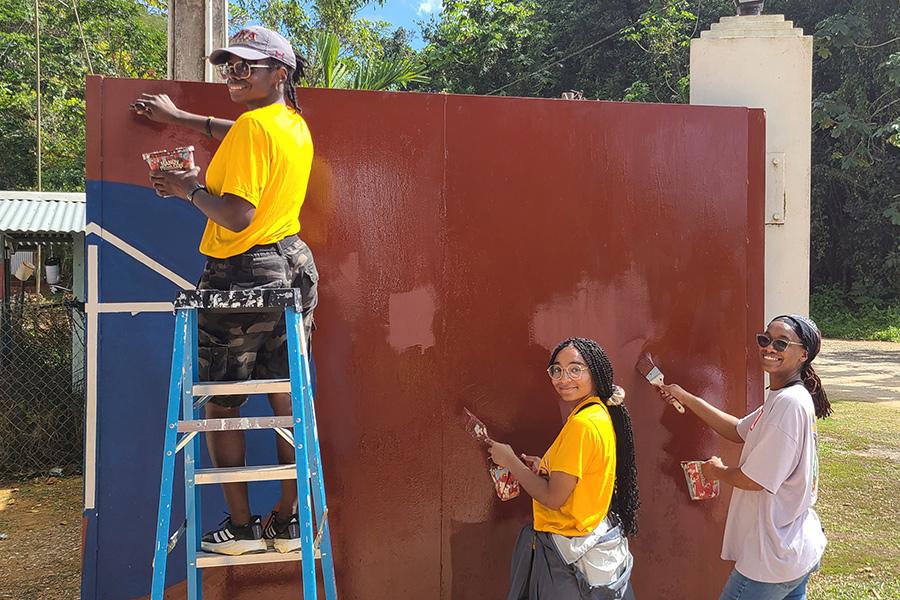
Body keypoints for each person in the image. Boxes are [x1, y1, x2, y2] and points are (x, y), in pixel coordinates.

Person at [132, 26, 318, 556]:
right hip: (288, 266)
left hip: (240, 274)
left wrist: (186, 187)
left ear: (279, 73)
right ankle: (287, 523)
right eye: (228, 66)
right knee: (286, 399)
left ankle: (238, 528)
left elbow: (237, 216)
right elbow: (237, 128)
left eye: (246, 66)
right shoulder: (291, 123)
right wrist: (183, 119)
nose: (233, 74)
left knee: (221, 404)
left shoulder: (253, 130)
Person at [660, 315, 830, 600]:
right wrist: (686, 397)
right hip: (793, 550)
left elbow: (755, 480)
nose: (769, 348)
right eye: (765, 339)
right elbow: (737, 429)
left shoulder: (788, 404)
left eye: (781, 342)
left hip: (771, 556)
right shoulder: (785, 396)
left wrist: (716, 471)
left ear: (803, 354)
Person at [488, 337, 640, 599]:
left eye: (575, 369)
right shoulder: (597, 414)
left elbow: (553, 497)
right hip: (590, 544)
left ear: (595, 372)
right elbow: (580, 473)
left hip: (569, 555)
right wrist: (545, 467)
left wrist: (510, 459)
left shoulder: (581, 425)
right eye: (556, 370)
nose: (563, 378)